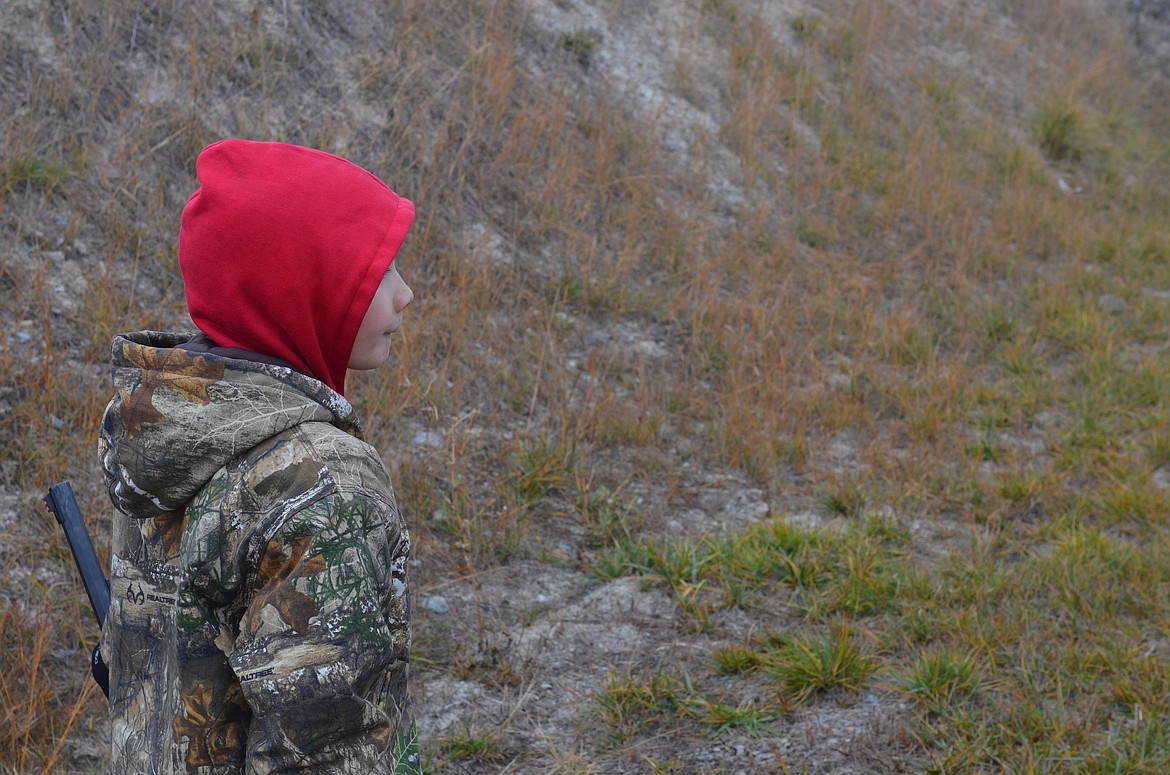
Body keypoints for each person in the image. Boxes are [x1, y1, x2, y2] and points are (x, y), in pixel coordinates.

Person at [97, 139, 419, 774]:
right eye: (378, 273)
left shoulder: (162, 427)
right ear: (304, 289)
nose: (405, 294)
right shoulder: (325, 487)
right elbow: (327, 750)